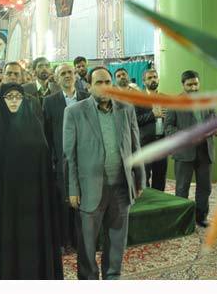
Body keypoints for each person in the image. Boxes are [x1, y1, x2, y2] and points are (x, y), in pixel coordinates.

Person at [0, 83, 63, 279]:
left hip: (30, 203)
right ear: (1, 100)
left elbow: (43, 165)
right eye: (10, 97)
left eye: (18, 96)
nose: (14, 100)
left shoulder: (34, 126)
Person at [64, 66, 145, 280]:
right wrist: (72, 189)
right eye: (99, 82)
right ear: (89, 86)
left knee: (117, 240)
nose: (104, 86)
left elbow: (135, 146)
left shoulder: (126, 109)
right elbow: (69, 156)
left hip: (121, 186)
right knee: (87, 243)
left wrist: (140, 179)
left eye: (108, 82)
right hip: (89, 188)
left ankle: (112, 277)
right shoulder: (74, 112)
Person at [42, 63, 89, 261]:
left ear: (76, 75)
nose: (68, 75)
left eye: (70, 72)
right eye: (63, 73)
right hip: (62, 161)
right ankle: (64, 241)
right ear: (56, 78)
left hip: (86, 159)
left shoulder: (87, 98)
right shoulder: (49, 102)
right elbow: (46, 133)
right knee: (64, 202)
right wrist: (51, 159)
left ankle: (81, 241)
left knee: (84, 201)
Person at [165, 70, 217, 228]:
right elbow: (168, 128)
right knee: (182, 188)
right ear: (183, 85)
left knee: (205, 187)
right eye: (189, 85)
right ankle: (182, 221)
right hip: (184, 153)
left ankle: (201, 217)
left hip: (205, 151)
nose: (193, 88)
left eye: (196, 84)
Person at [136, 68, 168, 191]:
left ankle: (159, 201)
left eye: (155, 77)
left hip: (162, 143)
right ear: (144, 82)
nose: (153, 79)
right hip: (145, 144)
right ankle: (146, 202)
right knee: (144, 179)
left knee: (160, 178)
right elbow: (134, 120)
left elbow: (172, 120)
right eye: (149, 78)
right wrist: (152, 115)